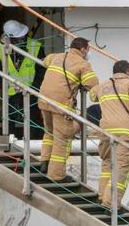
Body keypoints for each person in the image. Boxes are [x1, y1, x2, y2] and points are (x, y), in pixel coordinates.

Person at [38, 37, 98, 182]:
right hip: (61, 105)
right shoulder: (83, 64)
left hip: (43, 100)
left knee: (49, 131)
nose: (88, 52)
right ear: (83, 49)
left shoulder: (56, 57)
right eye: (88, 49)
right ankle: (56, 175)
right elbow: (92, 84)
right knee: (62, 139)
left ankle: (44, 162)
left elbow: (44, 61)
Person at [89, 60, 129, 205]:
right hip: (124, 131)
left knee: (107, 163)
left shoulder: (102, 85)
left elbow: (92, 96)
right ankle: (110, 203)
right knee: (121, 167)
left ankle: (102, 196)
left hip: (106, 130)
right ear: (127, 71)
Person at [0, 19, 45, 138]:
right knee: (9, 118)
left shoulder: (35, 46)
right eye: (17, 38)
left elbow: (42, 71)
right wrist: (5, 87)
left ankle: (31, 143)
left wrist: (34, 89)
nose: (20, 39)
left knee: (32, 118)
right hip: (10, 92)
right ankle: (9, 142)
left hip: (31, 91)